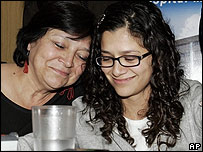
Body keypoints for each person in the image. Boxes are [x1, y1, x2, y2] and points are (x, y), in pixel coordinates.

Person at [17, 1, 202, 151]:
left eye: (129, 58)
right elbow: (26, 145)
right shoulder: (84, 115)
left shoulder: (193, 103)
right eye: (107, 58)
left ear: (158, 57)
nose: (116, 70)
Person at [1, 1, 95, 137]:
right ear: (31, 41)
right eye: (59, 45)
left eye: (82, 56)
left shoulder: (80, 102)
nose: (68, 62)